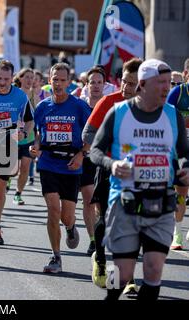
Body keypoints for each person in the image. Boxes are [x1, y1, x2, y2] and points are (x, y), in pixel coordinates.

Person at [90, 59, 189, 300]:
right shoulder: (119, 112)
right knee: (121, 274)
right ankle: (110, 296)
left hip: (159, 201)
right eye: (161, 82)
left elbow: (184, 153)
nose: (167, 87)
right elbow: (95, 150)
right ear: (142, 84)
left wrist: (185, 168)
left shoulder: (173, 115)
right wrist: (112, 164)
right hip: (124, 200)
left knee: (154, 269)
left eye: (169, 82)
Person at [82, 57, 142, 291]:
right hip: (108, 168)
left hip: (138, 173)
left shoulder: (151, 106)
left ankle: (128, 276)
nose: (128, 88)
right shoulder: (108, 102)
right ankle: (99, 258)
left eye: (134, 84)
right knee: (106, 219)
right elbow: (87, 136)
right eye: (125, 82)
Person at [29, 62, 91, 273]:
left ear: (69, 82)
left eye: (63, 80)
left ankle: (71, 227)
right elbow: (37, 132)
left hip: (71, 165)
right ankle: (56, 257)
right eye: (55, 79)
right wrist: (36, 146)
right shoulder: (43, 107)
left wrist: (82, 155)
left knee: (66, 216)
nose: (58, 84)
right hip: (48, 163)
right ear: (49, 80)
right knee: (53, 210)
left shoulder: (79, 106)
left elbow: (92, 133)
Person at [0, 59, 33, 247]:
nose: (1, 83)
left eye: (6, 79)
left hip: (8, 145)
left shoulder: (20, 96)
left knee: (1, 190)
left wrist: (24, 132)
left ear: (12, 78)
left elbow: (29, 120)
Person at [80, 67, 106, 256]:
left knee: (99, 202)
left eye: (99, 82)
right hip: (82, 158)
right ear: (86, 85)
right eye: (92, 82)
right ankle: (92, 239)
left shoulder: (109, 106)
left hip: (103, 161)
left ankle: (98, 238)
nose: (96, 86)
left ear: (104, 85)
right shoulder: (79, 106)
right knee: (87, 201)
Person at [167, 57, 189, 249]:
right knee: (181, 192)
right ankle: (177, 232)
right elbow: (163, 115)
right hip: (178, 151)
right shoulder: (178, 92)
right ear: (186, 74)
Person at [12, 68, 35, 205]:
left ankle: (18, 193)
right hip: (12, 136)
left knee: (25, 167)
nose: (29, 80)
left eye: (32, 77)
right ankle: (7, 178)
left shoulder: (35, 96)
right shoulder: (14, 94)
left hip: (28, 137)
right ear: (20, 78)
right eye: (26, 77)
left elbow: (37, 117)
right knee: (12, 169)